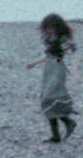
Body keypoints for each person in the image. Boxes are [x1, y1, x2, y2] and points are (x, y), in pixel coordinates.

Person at [26, 13, 79, 142]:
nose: (49, 30)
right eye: (47, 27)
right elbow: (48, 56)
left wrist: (77, 74)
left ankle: (67, 122)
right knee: (46, 99)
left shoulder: (63, 39)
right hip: (48, 69)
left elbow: (70, 56)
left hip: (57, 68)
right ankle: (56, 134)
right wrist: (34, 63)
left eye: (51, 27)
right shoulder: (50, 38)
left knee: (52, 97)